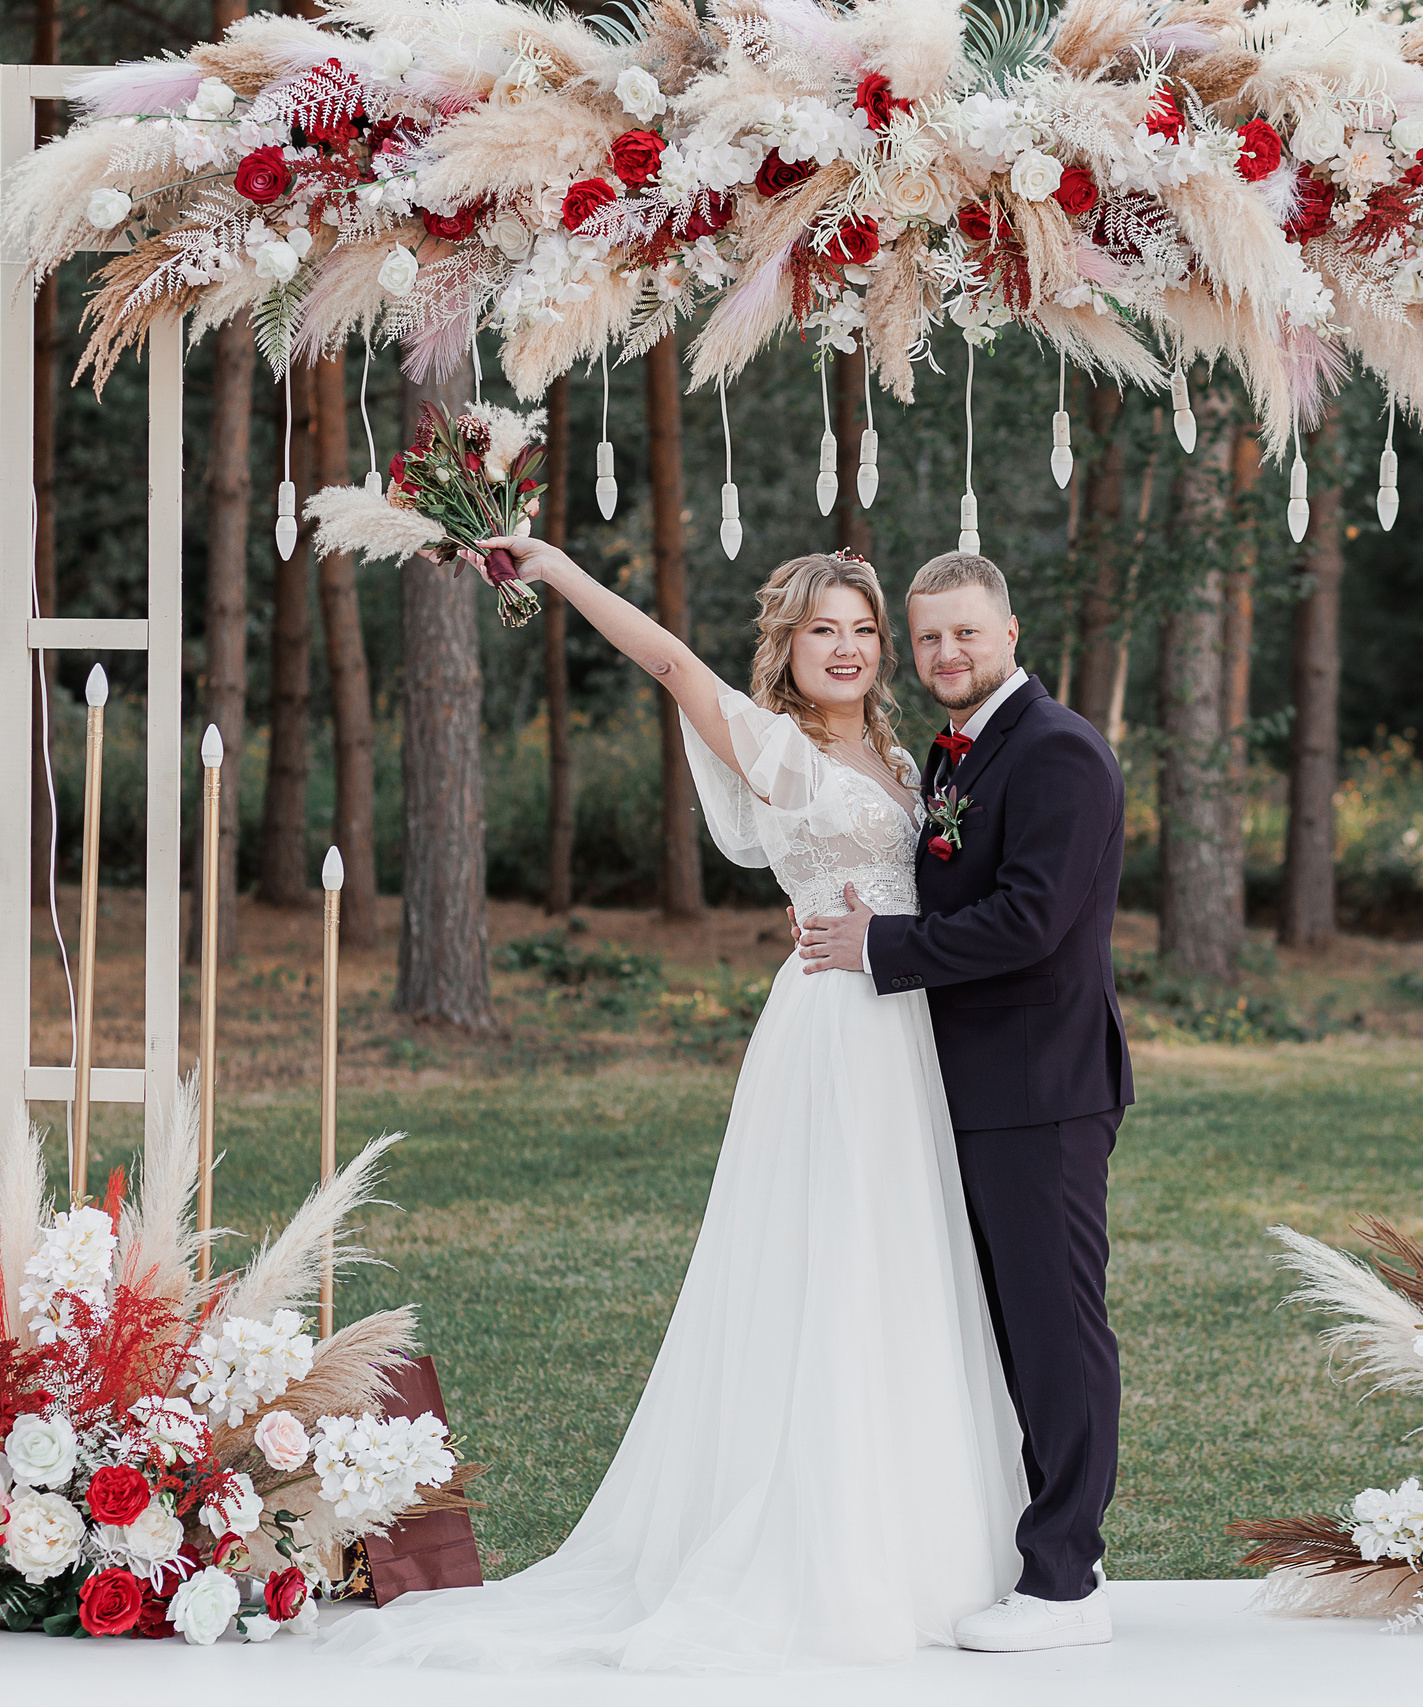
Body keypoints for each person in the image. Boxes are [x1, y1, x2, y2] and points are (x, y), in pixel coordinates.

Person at [324, 541, 1025, 1671]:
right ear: (786, 651)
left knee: (907, 1260)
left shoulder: (904, 753)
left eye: (861, 630)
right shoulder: (772, 744)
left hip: (909, 1029)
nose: (845, 648)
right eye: (821, 632)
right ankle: (823, 1549)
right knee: (830, 1265)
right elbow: (662, 663)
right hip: (836, 1029)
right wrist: (552, 566)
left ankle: (935, 1544)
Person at [796, 551, 1131, 1653]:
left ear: (1010, 632)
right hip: (965, 1088)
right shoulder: (958, 755)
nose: (946, 653)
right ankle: (1016, 1548)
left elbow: (1030, 921)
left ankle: (1066, 1583)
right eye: (929, 637)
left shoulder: (1058, 754)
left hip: (1040, 1091)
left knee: (1055, 1332)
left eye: (966, 635)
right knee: (994, 1334)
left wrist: (876, 944)